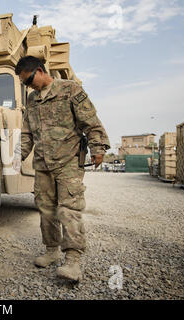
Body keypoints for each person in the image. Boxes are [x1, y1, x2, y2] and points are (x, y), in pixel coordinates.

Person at [13, 56, 110, 281]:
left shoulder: (70, 90)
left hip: (68, 162)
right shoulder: (32, 99)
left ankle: (73, 262)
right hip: (43, 164)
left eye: (28, 80)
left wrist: (98, 147)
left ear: (39, 70)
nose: (28, 86)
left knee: (69, 209)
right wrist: (19, 155)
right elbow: (27, 132)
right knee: (46, 210)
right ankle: (52, 251)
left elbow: (91, 122)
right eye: (25, 84)